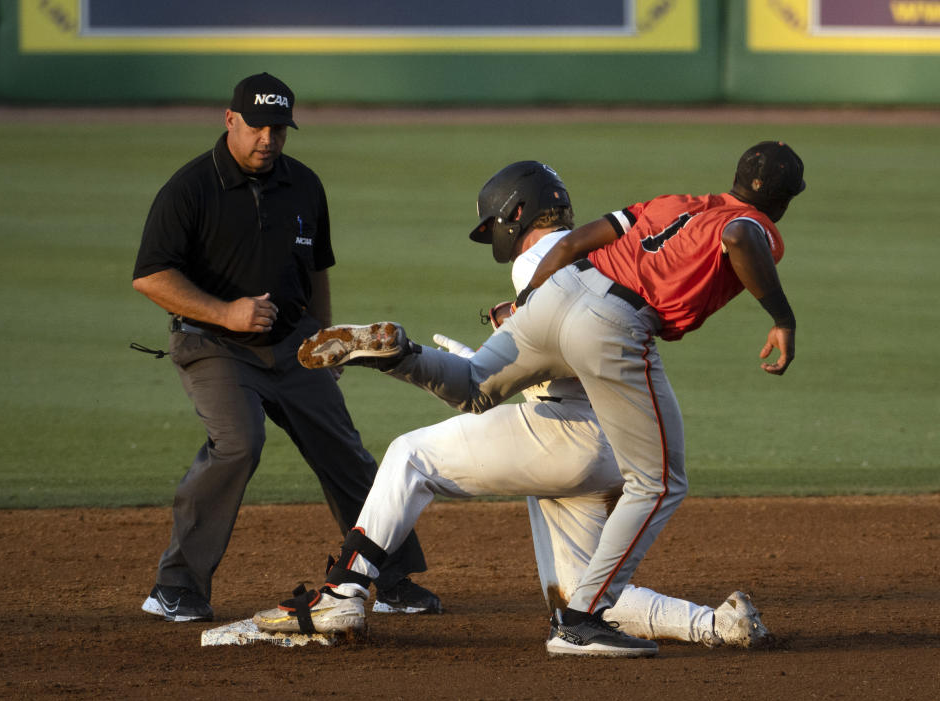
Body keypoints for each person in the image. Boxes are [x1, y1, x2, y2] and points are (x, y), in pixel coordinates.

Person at [253, 158, 786, 654]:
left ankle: (344, 589)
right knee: (583, 599)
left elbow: (579, 332)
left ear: (514, 215)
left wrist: (522, 321)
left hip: (566, 432)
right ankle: (717, 624)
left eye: (494, 227)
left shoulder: (546, 257)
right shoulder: (606, 249)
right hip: (598, 439)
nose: (495, 240)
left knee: (414, 453)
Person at [131, 72, 440, 622]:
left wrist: (325, 338)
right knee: (238, 444)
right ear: (230, 120)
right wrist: (227, 312)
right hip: (214, 346)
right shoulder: (190, 188)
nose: (268, 139)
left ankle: (389, 579)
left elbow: (316, 268)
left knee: (344, 451)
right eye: (257, 127)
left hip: (295, 348)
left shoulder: (304, 185)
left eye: (279, 129)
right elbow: (152, 276)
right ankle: (176, 587)